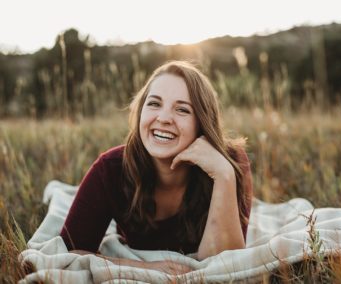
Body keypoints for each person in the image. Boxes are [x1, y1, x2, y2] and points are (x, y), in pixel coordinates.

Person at [60, 60, 253, 274]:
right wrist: (147, 268)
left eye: (182, 109)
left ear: (202, 122)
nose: (163, 118)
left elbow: (225, 268)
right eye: (154, 104)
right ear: (141, 111)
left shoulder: (230, 163)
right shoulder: (111, 169)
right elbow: (68, 253)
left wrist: (224, 175)